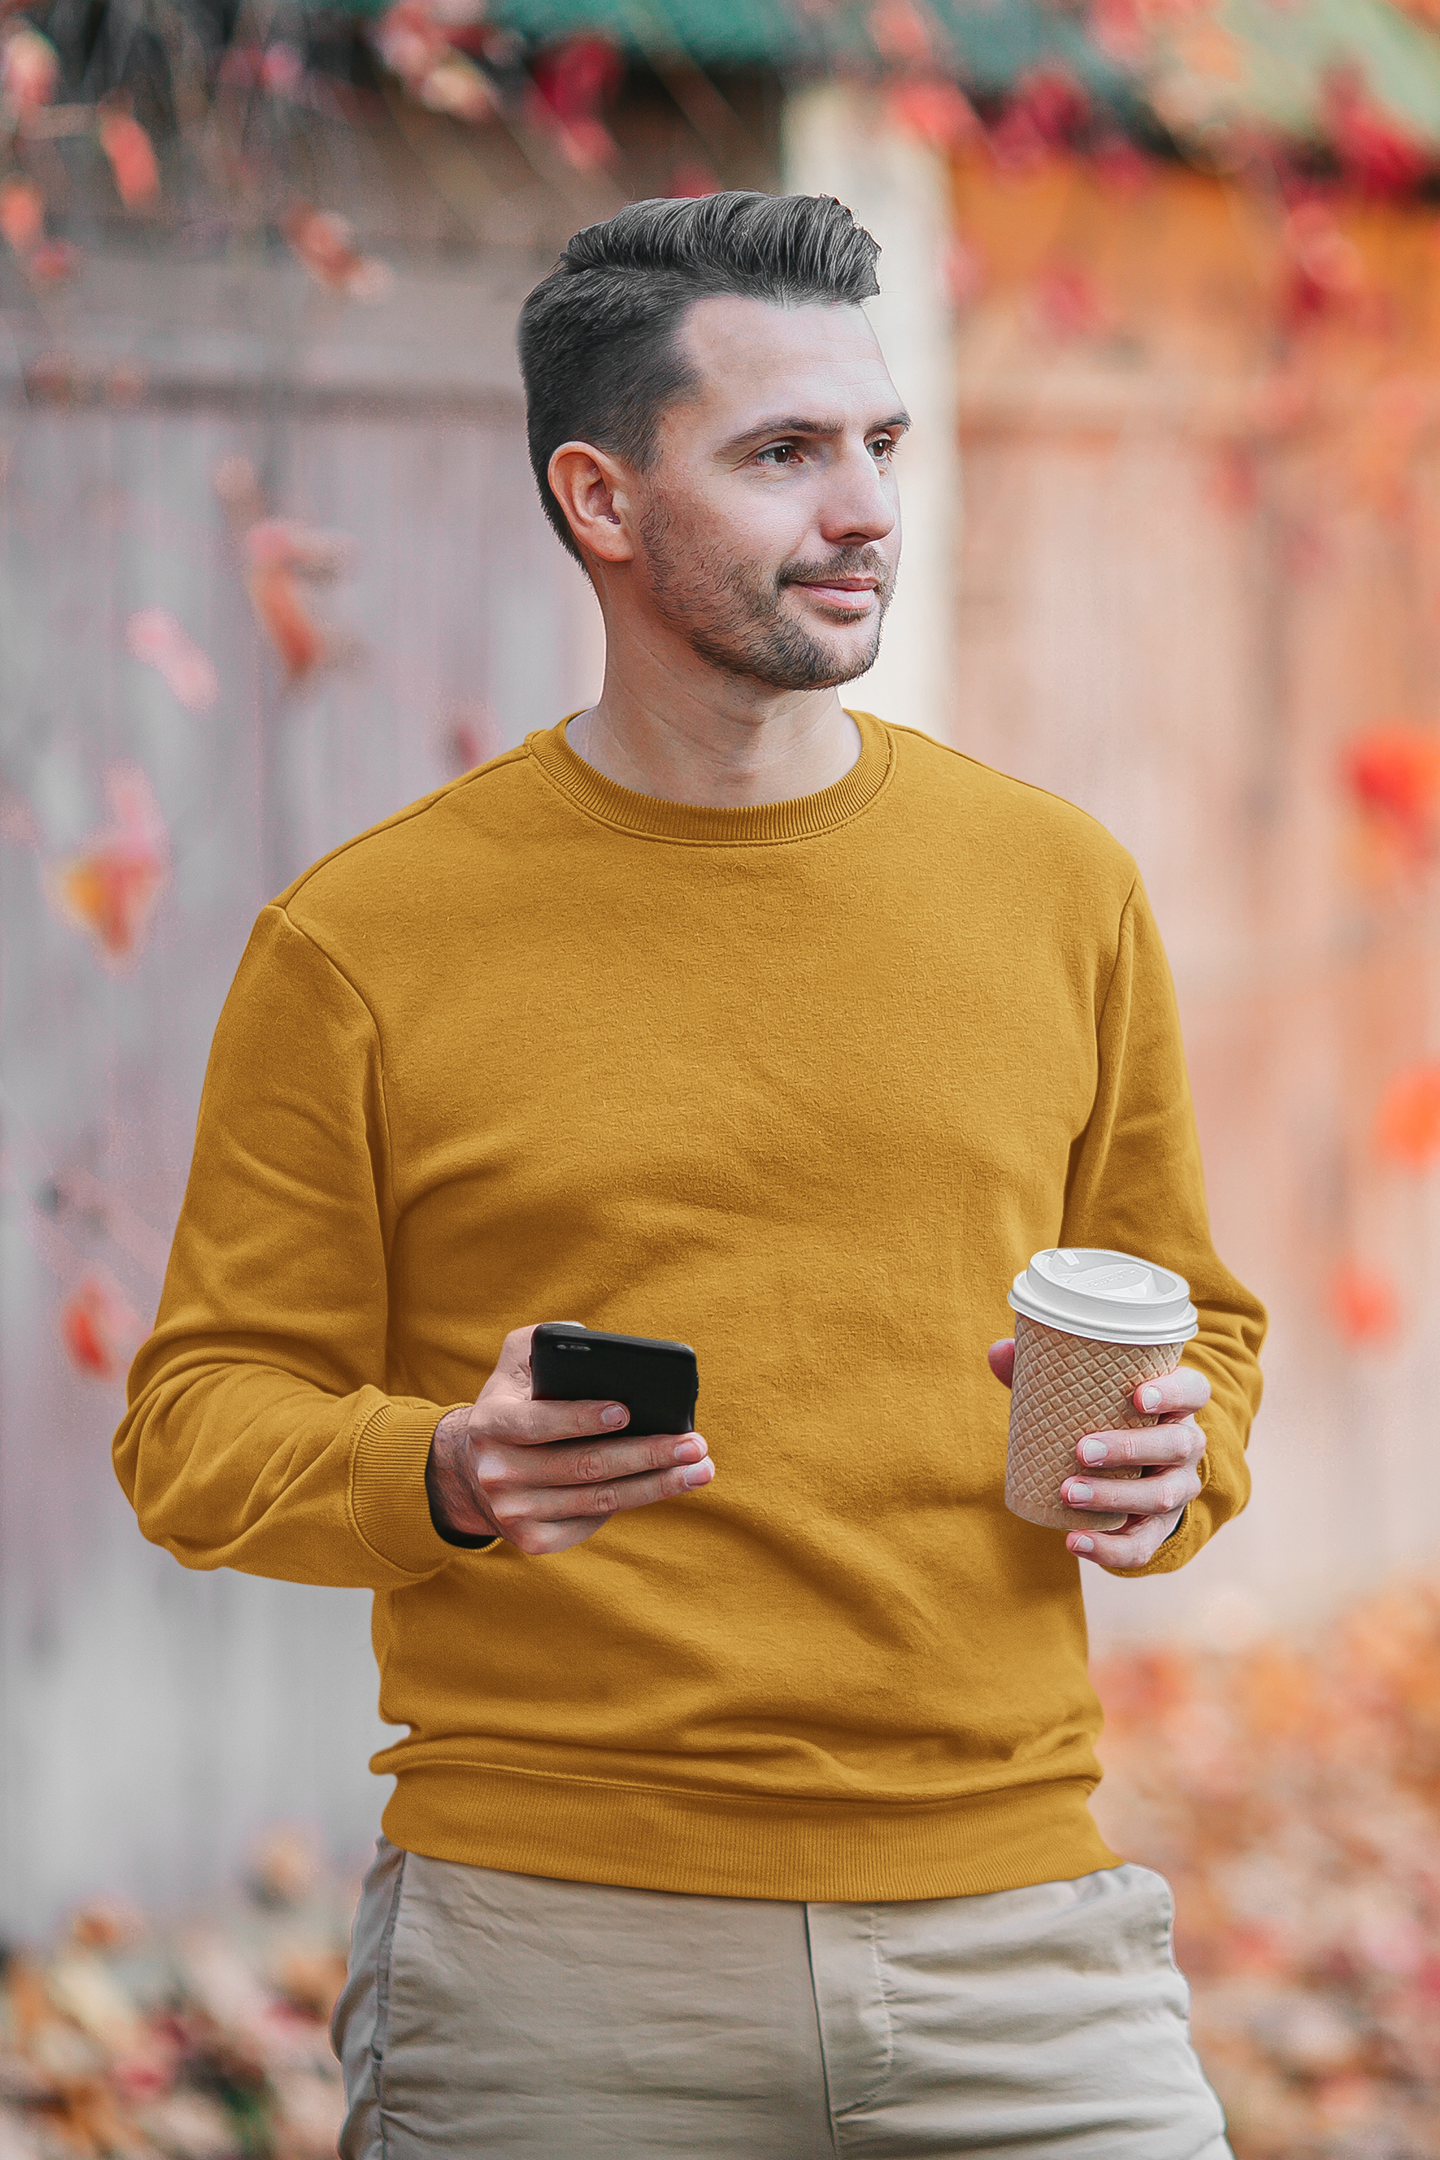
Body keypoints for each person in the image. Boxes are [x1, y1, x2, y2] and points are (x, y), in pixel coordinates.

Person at [115, 190, 1265, 2157]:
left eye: (880, 445)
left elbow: (1197, 1318)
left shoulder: (1056, 889)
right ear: (604, 497)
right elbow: (197, 1426)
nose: (866, 505)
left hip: (1022, 1949)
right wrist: (443, 1474)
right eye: (782, 453)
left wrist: (1181, 1453)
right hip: (558, 1974)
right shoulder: (367, 941)